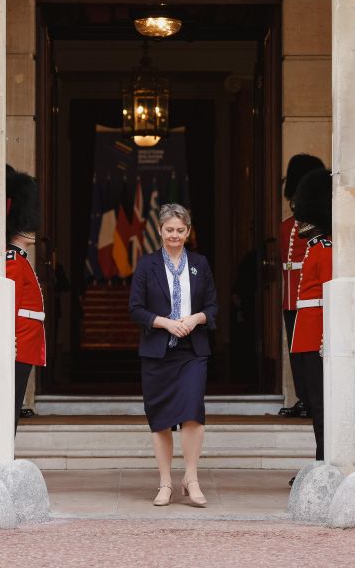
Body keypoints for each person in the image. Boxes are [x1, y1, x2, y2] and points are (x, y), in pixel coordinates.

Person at [129, 203, 217, 507]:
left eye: (180, 230)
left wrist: (195, 319)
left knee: (193, 413)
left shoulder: (200, 264)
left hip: (193, 351)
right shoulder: (147, 265)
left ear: (188, 231)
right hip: (158, 352)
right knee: (161, 418)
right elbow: (135, 309)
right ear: (160, 231)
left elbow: (212, 306)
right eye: (169, 230)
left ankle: (191, 478)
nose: (174, 235)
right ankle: (165, 482)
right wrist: (166, 323)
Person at [289, 168, 333, 463]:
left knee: (320, 406)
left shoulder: (326, 249)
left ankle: (322, 462)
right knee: (312, 401)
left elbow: (329, 299)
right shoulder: (314, 248)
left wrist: (325, 337)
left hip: (316, 335)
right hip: (304, 334)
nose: (300, 223)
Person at [278, 154, 325, 419]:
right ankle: (303, 397)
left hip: (308, 296)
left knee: (309, 352)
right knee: (296, 351)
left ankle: (311, 398)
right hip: (291, 295)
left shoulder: (317, 230)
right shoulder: (287, 226)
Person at [5, 166, 45, 437]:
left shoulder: (19, 260)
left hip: (26, 343)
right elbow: (8, 308)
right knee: (9, 408)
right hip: (19, 343)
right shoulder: (12, 260)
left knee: (13, 405)